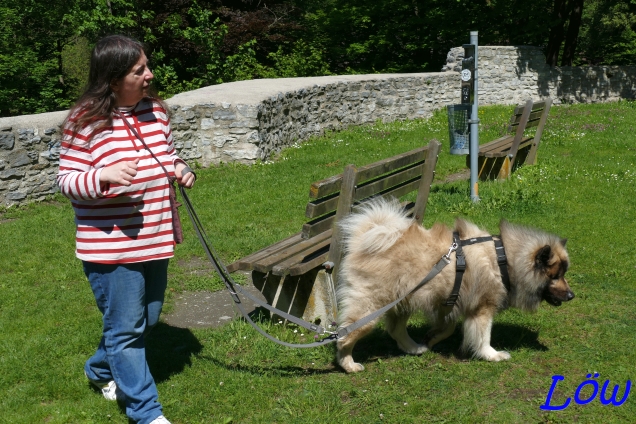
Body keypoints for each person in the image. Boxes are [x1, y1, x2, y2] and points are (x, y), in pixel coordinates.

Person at [57, 35, 195, 424]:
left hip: (155, 236)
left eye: (147, 66)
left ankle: (100, 370)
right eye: (139, 70)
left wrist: (181, 169)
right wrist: (103, 176)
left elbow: (167, 154)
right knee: (126, 331)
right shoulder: (84, 121)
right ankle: (146, 413)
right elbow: (66, 180)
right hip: (110, 246)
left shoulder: (155, 112)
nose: (150, 75)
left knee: (146, 320)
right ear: (114, 78)